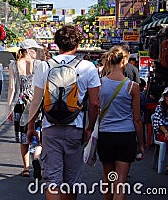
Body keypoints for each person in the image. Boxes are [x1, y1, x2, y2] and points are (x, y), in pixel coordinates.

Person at [27, 25, 101, 199]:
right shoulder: (88, 67)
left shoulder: (44, 66)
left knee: (52, 181)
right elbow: (95, 103)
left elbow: (36, 101)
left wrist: (31, 126)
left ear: (57, 43)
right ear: (77, 44)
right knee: (71, 181)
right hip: (76, 127)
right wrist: (89, 128)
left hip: (50, 127)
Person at [98, 46, 145, 200]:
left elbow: (95, 108)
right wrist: (141, 144)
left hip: (105, 135)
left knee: (108, 179)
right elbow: (137, 119)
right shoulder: (133, 87)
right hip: (126, 135)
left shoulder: (100, 83)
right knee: (120, 183)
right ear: (124, 60)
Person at [7, 39, 43, 178]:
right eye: (34, 49)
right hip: (36, 104)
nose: (36, 52)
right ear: (28, 50)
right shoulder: (39, 64)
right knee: (38, 133)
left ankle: (26, 167)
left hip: (19, 105)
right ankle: (36, 158)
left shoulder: (14, 65)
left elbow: (12, 88)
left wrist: (9, 107)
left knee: (23, 138)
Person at [153, 87, 168, 175]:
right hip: (162, 131)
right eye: (167, 96)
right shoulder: (159, 108)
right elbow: (159, 122)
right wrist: (166, 132)